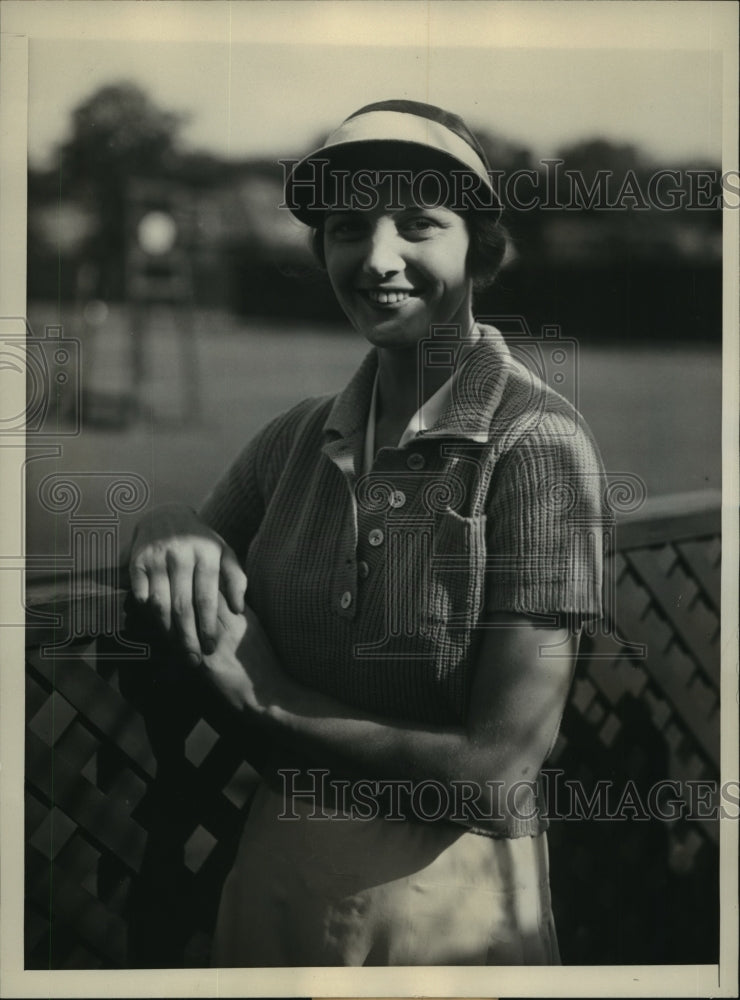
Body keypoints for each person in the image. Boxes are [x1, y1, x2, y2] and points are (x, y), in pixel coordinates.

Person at [128, 100, 607, 966]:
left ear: (480, 248)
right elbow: (191, 548)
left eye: (418, 224)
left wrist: (268, 703)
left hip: (449, 919)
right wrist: (163, 526)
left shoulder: (538, 447)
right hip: (275, 881)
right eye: (348, 228)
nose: (378, 258)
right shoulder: (296, 438)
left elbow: (498, 780)